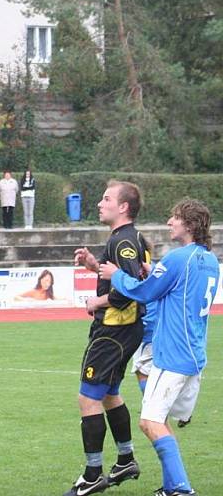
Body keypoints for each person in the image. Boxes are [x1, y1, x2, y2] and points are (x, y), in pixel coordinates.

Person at [99, 199, 219, 496]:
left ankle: (181, 489)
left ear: (189, 225)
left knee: (150, 423)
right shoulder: (209, 259)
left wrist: (116, 275)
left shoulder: (178, 258)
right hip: (194, 353)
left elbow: (145, 292)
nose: (169, 222)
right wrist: (154, 270)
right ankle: (171, 487)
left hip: (173, 355)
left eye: (174, 218)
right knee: (159, 420)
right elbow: (174, 289)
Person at [64, 180, 149, 496]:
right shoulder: (128, 238)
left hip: (113, 331)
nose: (100, 203)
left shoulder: (123, 241)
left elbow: (128, 290)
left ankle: (92, 475)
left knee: (88, 397)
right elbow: (126, 276)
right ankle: (125, 458)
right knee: (110, 393)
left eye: (106, 198)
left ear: (123, 206)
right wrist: (93, 266)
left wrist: (96, 302)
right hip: (124, 331)